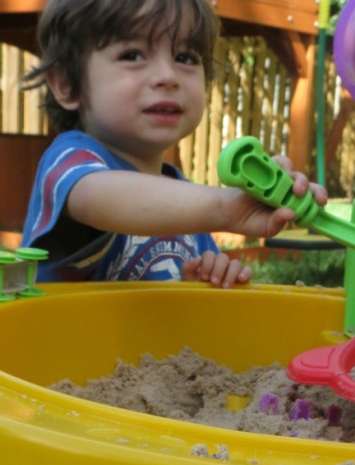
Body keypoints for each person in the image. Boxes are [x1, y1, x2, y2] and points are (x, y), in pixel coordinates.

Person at [21, 0, 327, 287]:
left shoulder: (187, 205)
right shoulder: (67, 164)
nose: (168, 76)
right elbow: (101, 196)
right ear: (66, 83)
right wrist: (226, 206)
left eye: (185, 57)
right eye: (132, 55)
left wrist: (209, 282)